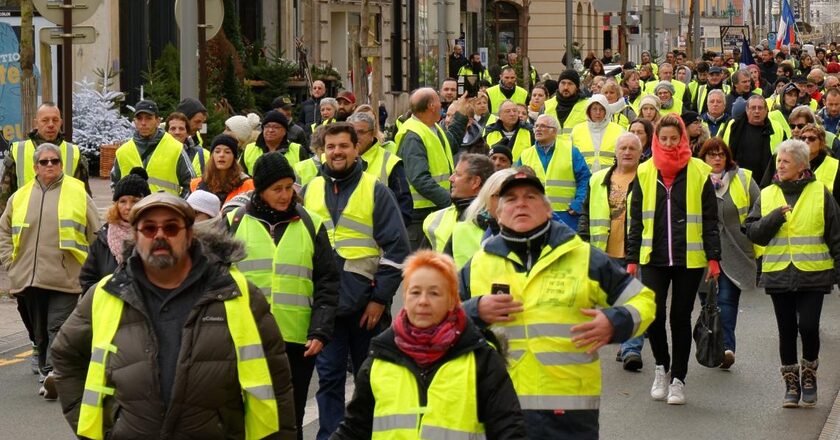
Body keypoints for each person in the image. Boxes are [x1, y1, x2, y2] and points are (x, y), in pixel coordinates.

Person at [51, 192, 297, 438]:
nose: (159, 236)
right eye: (148, 229)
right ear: (135, 236)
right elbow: (65, 356)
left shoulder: (237, 293)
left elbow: (276, 382)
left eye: (171, 228)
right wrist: (105, 429)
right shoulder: (106, 294)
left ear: (189, 235)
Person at [459, 169, 655, 439]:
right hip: (500, 405)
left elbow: (643, 300)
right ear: (498, 213)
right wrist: (474, 310)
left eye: (530, 196)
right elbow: (439, 321)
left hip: (569, 411)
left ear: (548, 209)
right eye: (511, 199)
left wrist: (614, 323)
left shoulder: (583, 258)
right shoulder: (478, 264)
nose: (521, 204)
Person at [332, 250, 526, 439]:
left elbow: (508, 429)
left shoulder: (481, 360)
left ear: (452, 301)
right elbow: (354, 429)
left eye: (434, 293)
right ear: (405, 298)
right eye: (415, 292)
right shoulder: (380, 358)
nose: (423, 301)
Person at [301, 123, 411, 440]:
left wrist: (380, 299)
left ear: (356, 148)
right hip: (328, 308)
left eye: (343, 146)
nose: (337, 152)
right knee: (330, 378)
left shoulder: (376, 190)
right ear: (323, 150)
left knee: (371, 379)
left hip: (367, 307)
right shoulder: (309, 191)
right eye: (331, 146)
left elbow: (397, 249)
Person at [226, 152, 339, 439]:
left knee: (290, 420)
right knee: (245, 417)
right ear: (260, 190)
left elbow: (327, 280)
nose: (285, 195)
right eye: (277, 188)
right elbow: (216, 280)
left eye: (290, 187)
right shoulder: (234, 222)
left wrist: (321, 329)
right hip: (246, 339)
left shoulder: (312, 224)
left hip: (297, 341)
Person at [626, 115, 721, 405]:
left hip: (688, 258)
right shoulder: (643, 171)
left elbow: (709, 219)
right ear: (656, 139)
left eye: (673, 138)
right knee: (652, 314)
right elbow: (636, 220)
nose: (668, 143)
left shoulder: (700, 171)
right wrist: (631, 259)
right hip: (652, 256)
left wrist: (713, 258)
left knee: (679, 318)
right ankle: (661, 367)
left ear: (683, 138)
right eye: (663, 138)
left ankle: (679, 378)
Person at [0, 143, 100, 398]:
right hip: (28, 278)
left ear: (61, 164)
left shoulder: (77, 192)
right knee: (39, 331)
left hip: (66, 277)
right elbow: (4, 230)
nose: (50, 166)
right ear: (35, 167)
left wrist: (91, 267)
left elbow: (95, 232)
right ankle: (49, 371)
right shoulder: (20, 196)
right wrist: (9, 263)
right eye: (44, 162)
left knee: (58, 325)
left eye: (54, 161)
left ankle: (55, 372)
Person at [745, 139, 840, 408]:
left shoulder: (820, 192)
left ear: (801, 165)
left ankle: (809, 371)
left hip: (813, 272)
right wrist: (774, 218)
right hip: (778, 273)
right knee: (786, 330)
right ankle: (791, 381)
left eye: (786, 161)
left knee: (808, 327)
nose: (780, 165)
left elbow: (836, 235)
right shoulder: (767, 194)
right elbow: (753, 232)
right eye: (778, 161)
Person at [578, 132, 646, 371]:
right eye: (623, 148)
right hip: (604, 249)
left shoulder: (647, 177)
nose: (627, 152)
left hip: (636, 251)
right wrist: (583, 240)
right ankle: (623, 336)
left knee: (634, 299)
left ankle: (631, 349)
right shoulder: (597, 179)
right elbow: (586, 212)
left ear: (640, 153)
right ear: (616, 152)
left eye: (632, 148)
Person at [697, 138, 759, 370]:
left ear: (727, 157)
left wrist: (749, 231)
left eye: (721, 155)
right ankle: (709, 343)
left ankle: (725, 348)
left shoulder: (743, 178)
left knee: (727, 299)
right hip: (703, 251)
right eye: (711, 155)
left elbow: (759, 206)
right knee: (707, 301)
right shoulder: (696, 179)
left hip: (735, 250)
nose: (716, 159)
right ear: (703, 158)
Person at [396, 89, 469, 250]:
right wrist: (450, 201)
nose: (442, 104)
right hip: (420, 216)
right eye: (438, 101)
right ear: (431, 106)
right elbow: (419, 179)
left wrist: (461, 115)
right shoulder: (413, 134)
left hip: (434, 209)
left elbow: (451, 143)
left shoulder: (432, 127)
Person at [0, 102, 91, 212]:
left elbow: (84, 197)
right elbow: (4, 197)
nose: (51, 124)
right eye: (45, 120)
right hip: (26, 222)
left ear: (61, 122)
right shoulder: (18, 151)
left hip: (63, 223)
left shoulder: (74, 153)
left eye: (55, 120)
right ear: (36, 123)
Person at [79, 168, 151, 294]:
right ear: (116, 204)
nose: (128, 207)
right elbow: (88, 278)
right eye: (123, 201)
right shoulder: (104, 237)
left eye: (135, 201)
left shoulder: (156, 235)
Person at [517, 114, 591, 230]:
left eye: (543, 126)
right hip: (535, 214)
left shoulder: (571, 151)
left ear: (554, 131)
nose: (538, 129)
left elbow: (585, 179)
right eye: (536, 126)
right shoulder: (525, 154)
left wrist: (578, 203)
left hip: (566, 216)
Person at [421, 154, 494, 263]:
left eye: (458, 174)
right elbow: (420, 266)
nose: (451, 179)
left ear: (475, 182)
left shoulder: (493, 221)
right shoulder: (435, 218)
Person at [111, 100, 193, 197]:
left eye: (148, 118)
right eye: (139, 118)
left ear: (158, 121)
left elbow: (191, 184)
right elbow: (115, 185)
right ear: (134, 122)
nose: (143, 123)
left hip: (165, 210)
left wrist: (178, 208)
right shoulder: (122, 152)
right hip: (133, 211)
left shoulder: (175, 148)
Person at [348, 112, 412, 226]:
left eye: (361, 132)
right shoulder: (340, 160)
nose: (356, 137)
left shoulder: (391, 162)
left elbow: (404, 207)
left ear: (372, 133)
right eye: (352, 132)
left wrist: (389, 235)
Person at [719, 95, 786, 185]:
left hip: (768, 182)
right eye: (753, 108)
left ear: (766, 110)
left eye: (760, 108)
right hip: (737, 180)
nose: (757, 111)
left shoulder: (777, 128)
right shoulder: (733, 126)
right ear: (747, 110)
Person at [191, 134, 255, 204]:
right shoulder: (196, 184)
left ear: (234, 158)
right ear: (212, 156)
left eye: (227, 152)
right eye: (217, 151)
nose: (221, 155)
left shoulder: (247, 185)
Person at [242, 110, 309, 176]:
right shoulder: (249, 149)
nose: (270, 130)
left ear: (285, 131)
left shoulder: (298, 150)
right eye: (267, 126)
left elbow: (306, 176)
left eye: (276, 127)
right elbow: (241, 176)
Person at [571, 94, 626, 172]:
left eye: (601, 109)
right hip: (583, 178)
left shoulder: (619, 130)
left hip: (609, 178)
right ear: (589, 111)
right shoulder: (577, 130)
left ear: (606, 111)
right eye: (594, 109)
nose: (598, 112)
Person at [799, 124, 840, 207]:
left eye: (812, 138)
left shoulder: (835, 166)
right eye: (803, 138)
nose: (806, 141)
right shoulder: (792, 163)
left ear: (821, 143)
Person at [544, 70, 590, 142]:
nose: (566, 87)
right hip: (553, 152)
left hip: (576, 152)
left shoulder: (588, 106)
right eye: (563, 83)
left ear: (577, 87)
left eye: (570, 84)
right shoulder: (546, 106)